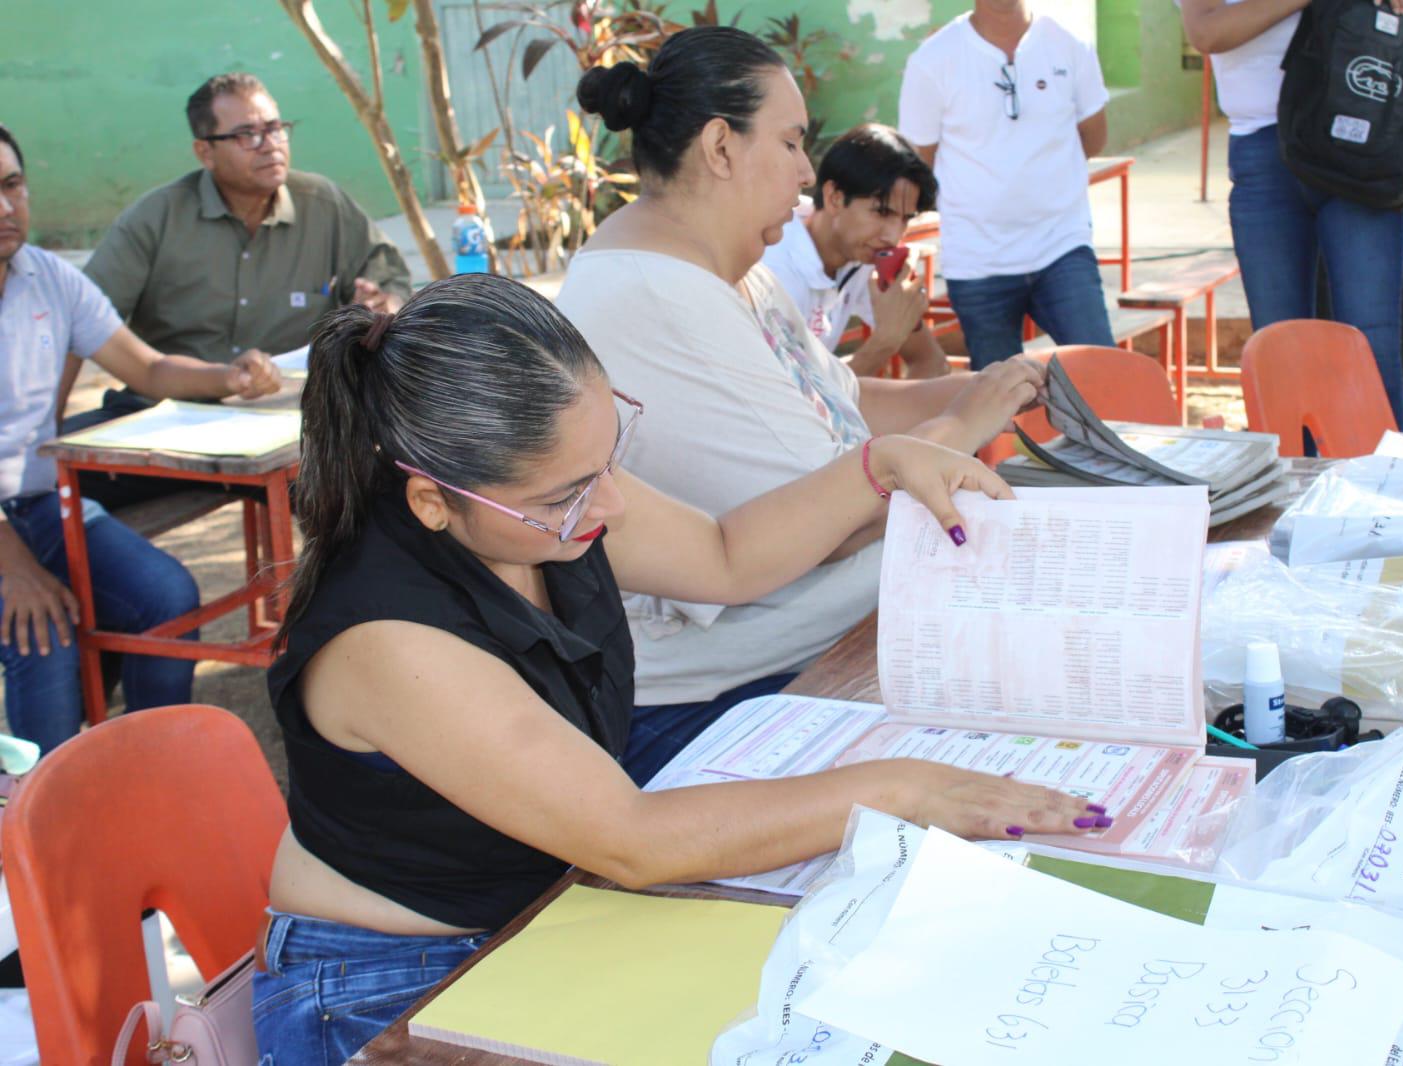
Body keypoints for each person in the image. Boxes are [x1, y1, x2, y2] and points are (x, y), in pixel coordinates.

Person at [250, 273, 1108, 1063]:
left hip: (547, 913)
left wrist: (880, 466)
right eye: (569, 496)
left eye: (608, 461)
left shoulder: (540, 501)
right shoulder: (389, 638)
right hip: (388, 989)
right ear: (431, 499)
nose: (611, 506)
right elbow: (635, 840)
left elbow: (724, 555)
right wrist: (901, 789)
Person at [558, 27, 1048, 785]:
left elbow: (841, 402)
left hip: (811, 652)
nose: (803, 171)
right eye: (790, 143)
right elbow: (835, 519)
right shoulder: (652, 293)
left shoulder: (727, 270)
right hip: (719, 702)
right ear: (720, 147)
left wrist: (981, 388)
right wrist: (957, 427)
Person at [0, 123, 280, 753]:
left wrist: (229, 376)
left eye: (12, 184)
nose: (4, 207)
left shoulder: (45, 276)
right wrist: (13, 568)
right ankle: (38, 825)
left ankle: (150, 766)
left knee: (167, 598)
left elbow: (147, 368)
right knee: (41, 633)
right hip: (7, 530)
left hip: (38, 503)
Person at [62, 73, 409, 506]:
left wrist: (381, 304)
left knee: (380, 502)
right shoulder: (157, 218)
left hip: (287, 422)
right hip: (167, 419)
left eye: (275, 128)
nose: (270, 143)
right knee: (47, 480)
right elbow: (73, 319)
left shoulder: (324, 205)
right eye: (247, 134)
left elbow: (391, 280)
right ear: (204, 151)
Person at [1178, 0, 1403, 431]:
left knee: (1371, 343)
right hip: (1263, 148)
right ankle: (1295, 489)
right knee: (1281, 347)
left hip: (1358, 140)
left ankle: (1385, 483)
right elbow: (1207, 32)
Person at [897, 0, 1116, 370]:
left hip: (1062, 244)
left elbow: (1092, 139)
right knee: (1000, 403)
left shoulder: (1069, 44)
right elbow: (920, 162)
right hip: (978, 260)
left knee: (1103, 376)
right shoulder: (933, 60)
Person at [761, 123, 951, 379]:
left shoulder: (862, 257)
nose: (893, 236)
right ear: (834, 198)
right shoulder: (773, 273)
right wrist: (884, 343)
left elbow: (932, 361)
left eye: (906, 218)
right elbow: (791, 406)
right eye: (882, 212)